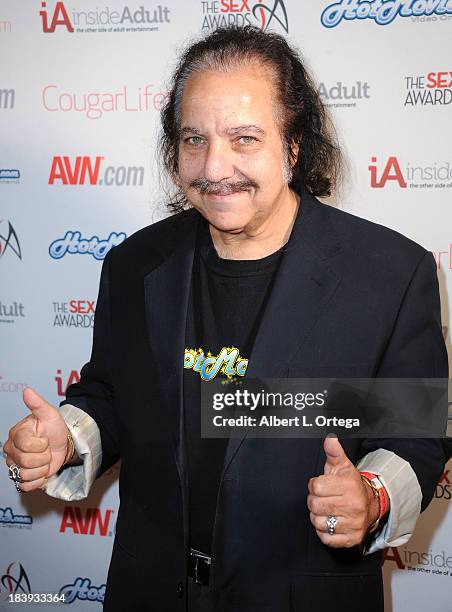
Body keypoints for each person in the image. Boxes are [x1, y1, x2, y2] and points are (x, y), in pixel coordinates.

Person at [4, 26, 448, 612]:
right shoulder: (134, 264)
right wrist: (68, 436)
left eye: (244, 139)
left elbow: (418, 428)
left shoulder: (392, 273)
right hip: (150, 591)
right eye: (194, 140)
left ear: (293, 147)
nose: (215, 167)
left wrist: (373, 492)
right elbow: (112, 391)